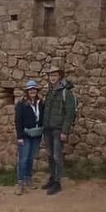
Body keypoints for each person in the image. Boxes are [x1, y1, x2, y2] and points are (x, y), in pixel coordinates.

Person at [42, 65, 77, 195]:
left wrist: (65, 131)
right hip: (47, 129)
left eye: (55, 75)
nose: (52, 77)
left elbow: (70, 113)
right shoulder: (50, 92)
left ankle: (57, 182)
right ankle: (52, 178)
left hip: (58, 130)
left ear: (59, 77)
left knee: (57, 156)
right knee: (50, 155)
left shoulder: (65, 93)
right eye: (51, 75)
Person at [13, 80, 44, 195]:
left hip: (36, 135)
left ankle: (28, 178)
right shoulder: (21, 104)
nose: (32, 91)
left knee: (31, 157)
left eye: (34, 89)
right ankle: (20, 183)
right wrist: (19, 136)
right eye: (30, 90)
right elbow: (18, 121)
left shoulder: (40, 103)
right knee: (23, 158)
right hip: (25, 135)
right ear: (27, 91)